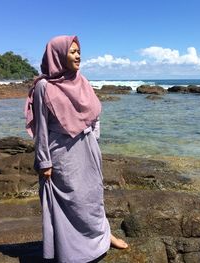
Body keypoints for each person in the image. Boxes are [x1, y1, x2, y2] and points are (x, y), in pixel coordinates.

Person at [25, 35, 128, 263]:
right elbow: (41, 127)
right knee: (72, 202)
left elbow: (94, 113)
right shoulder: (44, 87)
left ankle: (104, 235)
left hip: (87, 147)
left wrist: (93, 140)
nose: (78, 55)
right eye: (72, 52)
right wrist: (44, 161)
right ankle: (71, 251)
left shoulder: (82, 80)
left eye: (78, 51)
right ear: (59, 55)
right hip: (61, 152)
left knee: (93, 196)